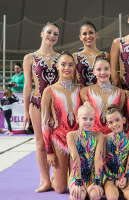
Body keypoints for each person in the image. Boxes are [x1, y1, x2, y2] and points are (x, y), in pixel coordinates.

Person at [22, 22, 60, 192]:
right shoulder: (30, 57)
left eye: (56, 34)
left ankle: (55, 176)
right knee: (40, 144)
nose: (52, 35)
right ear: (41, 34)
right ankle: (45, 179)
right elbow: (27, 86)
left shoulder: (60, 58)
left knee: (57, 143)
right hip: (37, 103)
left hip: (57, 103)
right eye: (49, 32)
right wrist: (25, 111)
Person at [42, 52, 82, 194]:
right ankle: (56, 177)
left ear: (74, 67)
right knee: (60, 189)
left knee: (76, 187)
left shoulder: (81, 89)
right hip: (58, 140)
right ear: (57, 66)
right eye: (63, 64)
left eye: (70, 65)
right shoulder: (49, 90)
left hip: (77, 141)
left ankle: (65, 174)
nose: (67, 68)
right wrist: (49, 151)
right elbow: (45, 123)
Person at [67, 101, 105, 200]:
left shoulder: (98, 136)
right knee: (78, 196)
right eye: (84, 118)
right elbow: (75, 158)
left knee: (95, 196)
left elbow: (98, 159)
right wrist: (78, 181)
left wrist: (97, 181)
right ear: (77, 119)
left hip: (92, 176)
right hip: (77, 176)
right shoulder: (71, 135)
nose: (88, 122)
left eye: (91, 119)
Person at [80, 53, 125, 135]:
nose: (103, 72)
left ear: (111, 70)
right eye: (99, 69)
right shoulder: (84, 91)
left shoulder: (121, 93)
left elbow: (119, 115)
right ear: (94, 72)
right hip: (93, 136)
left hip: (113, 136)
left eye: (106, 69)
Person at [103, 104, 129, 200]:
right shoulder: (105, 139)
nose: (115, 124)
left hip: (122, 175)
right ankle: (112, 189)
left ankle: (120, 190)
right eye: (111, 122)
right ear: (108, 125)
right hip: (108, 176)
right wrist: (114, 179)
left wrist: (126, 177)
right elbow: (102, 163)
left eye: (117, 120)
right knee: (113, 197)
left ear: (124, 120)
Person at [73, 21, 109, 86]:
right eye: (84, 34)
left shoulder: (105, 55)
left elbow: (110, 79)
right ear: (80, 37)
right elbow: (73, 80)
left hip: (101, 94)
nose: (88, 36)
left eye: (91, 33)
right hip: (81, 94)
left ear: (96, 35)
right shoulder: (75, 56)